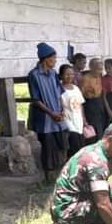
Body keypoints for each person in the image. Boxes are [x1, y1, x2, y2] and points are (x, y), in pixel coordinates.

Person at [28, 43, 68, 181]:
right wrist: (52, 113)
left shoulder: (53, 74)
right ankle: (48, 177)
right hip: (45, 118)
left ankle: (62, 175)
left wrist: (62, 110)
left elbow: (59, 94)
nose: (55, 61)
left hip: (58, 116)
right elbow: (36, 100)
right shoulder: (34, 75)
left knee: (62, 145)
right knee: (48, 148)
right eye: (54, 58)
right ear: (46, 59)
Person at [59, 63, 87, 157]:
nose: (69, 76)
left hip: (78, 117)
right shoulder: (59, 89)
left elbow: (80, 104)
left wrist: (84, 119)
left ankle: (80, 163)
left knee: (81, 141)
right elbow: (60, 104)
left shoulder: (76, 88)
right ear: (61, 75)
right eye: (67, 74)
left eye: (71, 74)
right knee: (73, 140)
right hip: (68, 118)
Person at [80, 57, 106, 140]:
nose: (100, 71)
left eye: (101, 69)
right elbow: (81, 95)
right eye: (98, 69)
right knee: (93, 129)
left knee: (101, 128)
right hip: (90, 104)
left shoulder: (99, 76)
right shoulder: (86, 78)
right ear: (91, 67)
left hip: (99, 103)